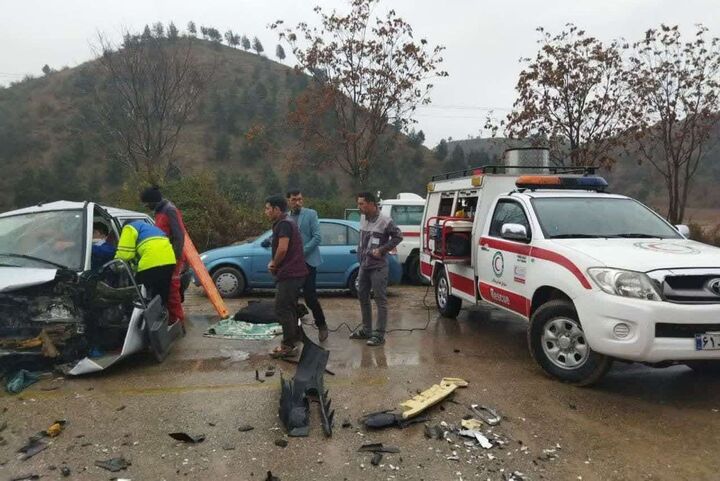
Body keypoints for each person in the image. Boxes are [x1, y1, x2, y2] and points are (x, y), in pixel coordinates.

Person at [350, 192, 403, 347]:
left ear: (372, 204)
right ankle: (366, 330)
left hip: (378, 266)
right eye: (358, 203)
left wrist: (382, 250)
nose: (359, 207)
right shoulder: (362, 218)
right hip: (364, 265)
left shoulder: (385, 221)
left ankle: (379, 335)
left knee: (380, 299)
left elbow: (398, 236)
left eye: (362, 204)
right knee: (362, 296)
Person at [265, 194, 308, 358]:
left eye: (268, 208)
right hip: (295, 272)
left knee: (282, 308)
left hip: (290, 273)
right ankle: (294, 338)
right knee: (289, 308)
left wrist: (274, 263)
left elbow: (282, 249)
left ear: (277, 209)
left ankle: (288, 346)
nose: (266, 212)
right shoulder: (287, 222)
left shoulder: (283, 224)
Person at [140, 186, 187, 324]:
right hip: (163, 258)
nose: (146, 206)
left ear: (153, 201)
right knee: (164, 290)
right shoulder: (159, 211)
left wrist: (175, 258)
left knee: (172, 290)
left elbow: (179, 235)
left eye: (147, 203)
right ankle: (169, 319)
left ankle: (177, 321)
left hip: (172, 257)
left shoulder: (170, 210)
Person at [287, 189, 328, 342]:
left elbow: (317, 237)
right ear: (289, 201)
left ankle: (322, 324)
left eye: (299, 199)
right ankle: (295, 330)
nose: (297, 202)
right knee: (292, 298)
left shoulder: (310, 214)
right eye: (294, 199)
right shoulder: (287, 218)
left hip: (308, 262)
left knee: (310, 297)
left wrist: (301, 253)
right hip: (292, 264)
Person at [114, 220, 177, 309]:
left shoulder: (129, 228)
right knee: (162, 295)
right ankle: (162, 316)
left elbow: (125, 254)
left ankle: (144, 318)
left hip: (151, 265)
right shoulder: (151, 228)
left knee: (140, 295)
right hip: (169, 262)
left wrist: (113, 263)